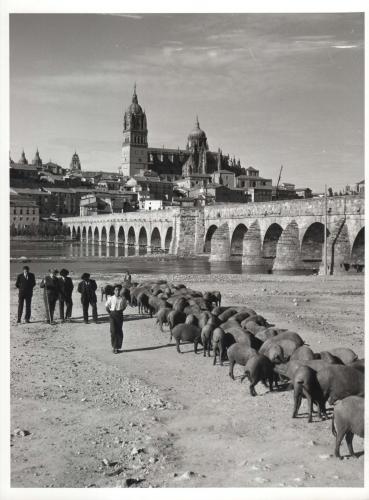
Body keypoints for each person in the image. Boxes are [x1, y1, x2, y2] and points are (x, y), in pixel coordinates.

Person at [105, 285, 127, 353]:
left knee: (119, 331)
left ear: (120, 291)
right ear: (114, 291)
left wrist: (120, 312)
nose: (117, 291)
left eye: (119, 290)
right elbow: (107, 306)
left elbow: (124, 306)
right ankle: (114, 347)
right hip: (112, 315)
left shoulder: (123, 299)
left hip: (119, 315)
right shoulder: (110, 298)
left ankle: (117, 347)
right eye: (116, 290)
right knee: (113, 331)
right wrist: (111, 313)